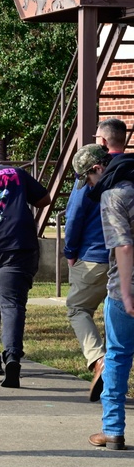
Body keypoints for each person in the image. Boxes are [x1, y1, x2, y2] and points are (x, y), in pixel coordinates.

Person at [0, 164, 50, 388]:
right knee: (12, 304)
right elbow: (44, 200)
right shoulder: (16, 173)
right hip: (16, 243)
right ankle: (12, 356)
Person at [81, 143, 134, 450]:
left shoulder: (113, 196)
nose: (89, 186)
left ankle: (112, 429)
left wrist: (126, 294)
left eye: (87, 178)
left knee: (117, 357)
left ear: (98, 170)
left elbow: (124, 246)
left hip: (123, 290)